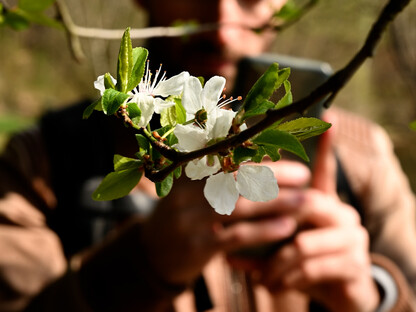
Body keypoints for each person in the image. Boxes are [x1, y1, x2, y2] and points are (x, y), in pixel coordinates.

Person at [0, 0, 415, 311]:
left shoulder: (364, 160)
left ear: (282, 5)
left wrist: (377, 294)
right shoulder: (43, 162)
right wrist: (140, 265)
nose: (223, 28)